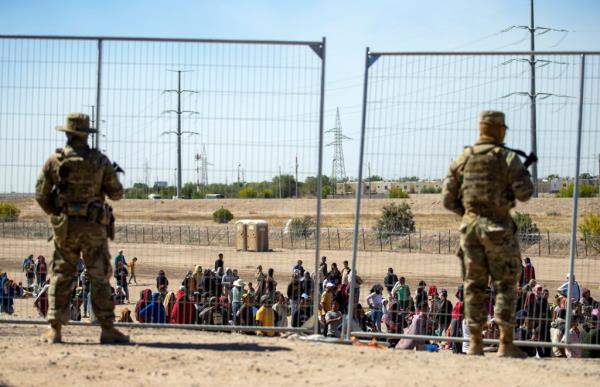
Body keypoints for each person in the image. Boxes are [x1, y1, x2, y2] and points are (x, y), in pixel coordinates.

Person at [442, 110, 533, 357]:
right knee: (505, 284)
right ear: (499, 130)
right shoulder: (506, 158)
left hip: (470, 231)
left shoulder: (463, 158)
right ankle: (505, 343)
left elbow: (448, 199)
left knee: (473, 285)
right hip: (498, 229)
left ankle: (474, 343)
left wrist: (469, 215)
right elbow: (525, 192)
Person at [35, 113, 129, 344]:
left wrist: (57, 215)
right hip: (94, 228)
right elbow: (117, 193)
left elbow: (41, 195)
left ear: (67, 133)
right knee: (99, 277)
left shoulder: (55, 161)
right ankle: (107, 328)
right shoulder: (99, 161)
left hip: (65, 228)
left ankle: (55, 329)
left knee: (61, 276)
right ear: (87, 135)